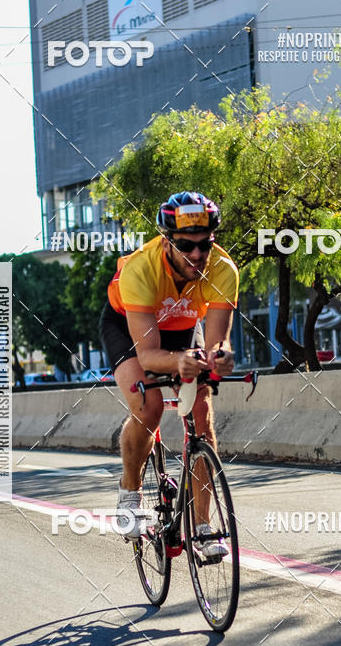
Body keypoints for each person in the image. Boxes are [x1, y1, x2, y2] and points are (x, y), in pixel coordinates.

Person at [99, 191, 239, 558]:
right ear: (167, 242)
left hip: (182, 328)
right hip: (130, 328)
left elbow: (217, 340)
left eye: (204, 244)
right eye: (185, 246)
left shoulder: (223, 269)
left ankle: (203, 527)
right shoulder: (140, 269)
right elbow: (147, 354)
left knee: (201, 414)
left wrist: (220, 357)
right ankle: (130, 491)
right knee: (150, 406)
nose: (197, 254)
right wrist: (179, 362)